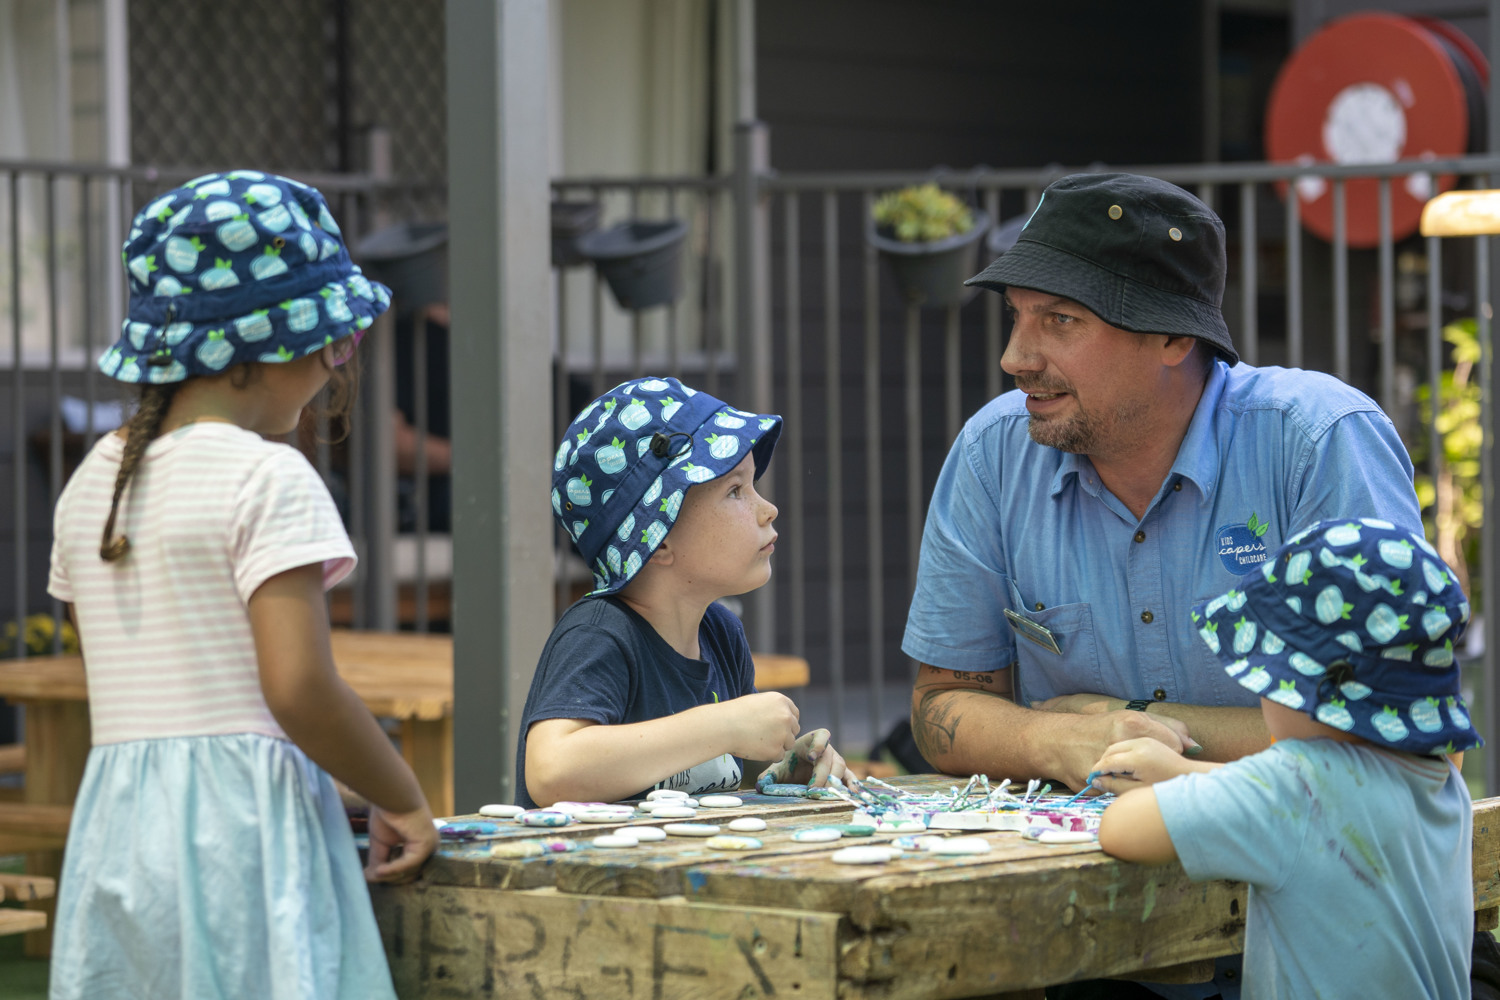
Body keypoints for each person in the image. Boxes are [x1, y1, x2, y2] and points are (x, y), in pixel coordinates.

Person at [900, 172, 1428, 1000]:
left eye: (1060, 321)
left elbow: (1379, 742)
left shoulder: (1319, 441)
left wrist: (1134, 727)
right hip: (1082, 944)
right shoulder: (992, 452)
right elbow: (939, 710)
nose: (1015, 356)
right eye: (1017, 317)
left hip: (1315, 945)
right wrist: (1053, 741)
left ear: (1173, 338)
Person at [47, 171, 438, 1000]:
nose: (336, 369)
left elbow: (143, 686)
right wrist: (397, 793)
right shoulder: (267, 477)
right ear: (256, 348)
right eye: (331, 343)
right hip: (244, 843)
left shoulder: (91, 482)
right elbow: (298, 687)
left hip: (118, 830)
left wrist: (291, 763)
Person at [1096, 518, 1480, 999]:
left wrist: (1176, 780)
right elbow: (1331, 810)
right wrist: (1187, 773)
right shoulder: (1439, 773)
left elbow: (1123, 828)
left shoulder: (1294, 787)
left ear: (1303, 689)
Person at [516, 376, 847, 809]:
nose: (768, 509)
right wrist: (724, 725)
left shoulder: (719, 634)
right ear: (658, 540)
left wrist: (786, 769)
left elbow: (719, 777)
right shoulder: (600, 636)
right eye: (735, 491)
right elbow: (551, 771)